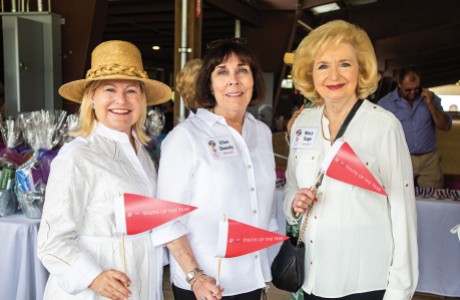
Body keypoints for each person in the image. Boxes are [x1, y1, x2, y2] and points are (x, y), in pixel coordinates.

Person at [284, 20, 418, 299]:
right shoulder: (302, 124)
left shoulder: (384, 126)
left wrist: (399, 291)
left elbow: (402, 211)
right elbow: (291, 185)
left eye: (344, 63)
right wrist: (293, 204)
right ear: (310, 73)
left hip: (365, 280)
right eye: (323, 65)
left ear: (362, 69)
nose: (334, 75)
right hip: (313, 277)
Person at [37, 40, 172, 299]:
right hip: (95, 291)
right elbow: (50, 243)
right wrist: (93, 276)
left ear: (142, 98)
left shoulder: (141, 154)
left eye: (131, 90)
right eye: (109, 89)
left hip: (140, 279)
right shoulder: (78, 155)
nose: (120, 100)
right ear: (91, 97)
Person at [155, 39, 278, 300]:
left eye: (242, 70)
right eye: (222, 71)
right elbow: (165, 217)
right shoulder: (186, 137)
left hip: (252, 279)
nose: (234, 80)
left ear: (254, 78)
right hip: (206, 286)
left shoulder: (262, 133)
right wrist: (195, 276)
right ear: (209, 84)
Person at [378, 65, 452, 188]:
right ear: (399, 84)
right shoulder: (385, 104)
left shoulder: (431, 99)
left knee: (432, 199)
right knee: (398, 197)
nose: (413, 92)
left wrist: (431, 104)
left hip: (429, 160)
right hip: (401, 158)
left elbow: (445, 126)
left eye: (416, 88)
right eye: (408, 89)